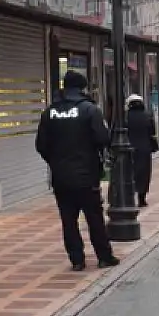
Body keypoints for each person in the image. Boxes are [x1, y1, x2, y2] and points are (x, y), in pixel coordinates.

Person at [35, 70, 119, 272]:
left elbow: (41, 145)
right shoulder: (90, 110)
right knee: (94, 217)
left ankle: (77, 259)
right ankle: (104, 256)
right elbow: (102, 138)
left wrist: (55, 161)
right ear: (83, 88)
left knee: (68, 220)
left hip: (61, 177)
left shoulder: (50, 112)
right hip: (86, 175)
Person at [125, 93, 159, 207]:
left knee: (128, 173)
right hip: (144, 148)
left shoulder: (124, 116)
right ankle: (142, 198)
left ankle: (128, 198)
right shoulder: (148, 115)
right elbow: (152, 132)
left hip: (127, 148)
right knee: (144, 174)